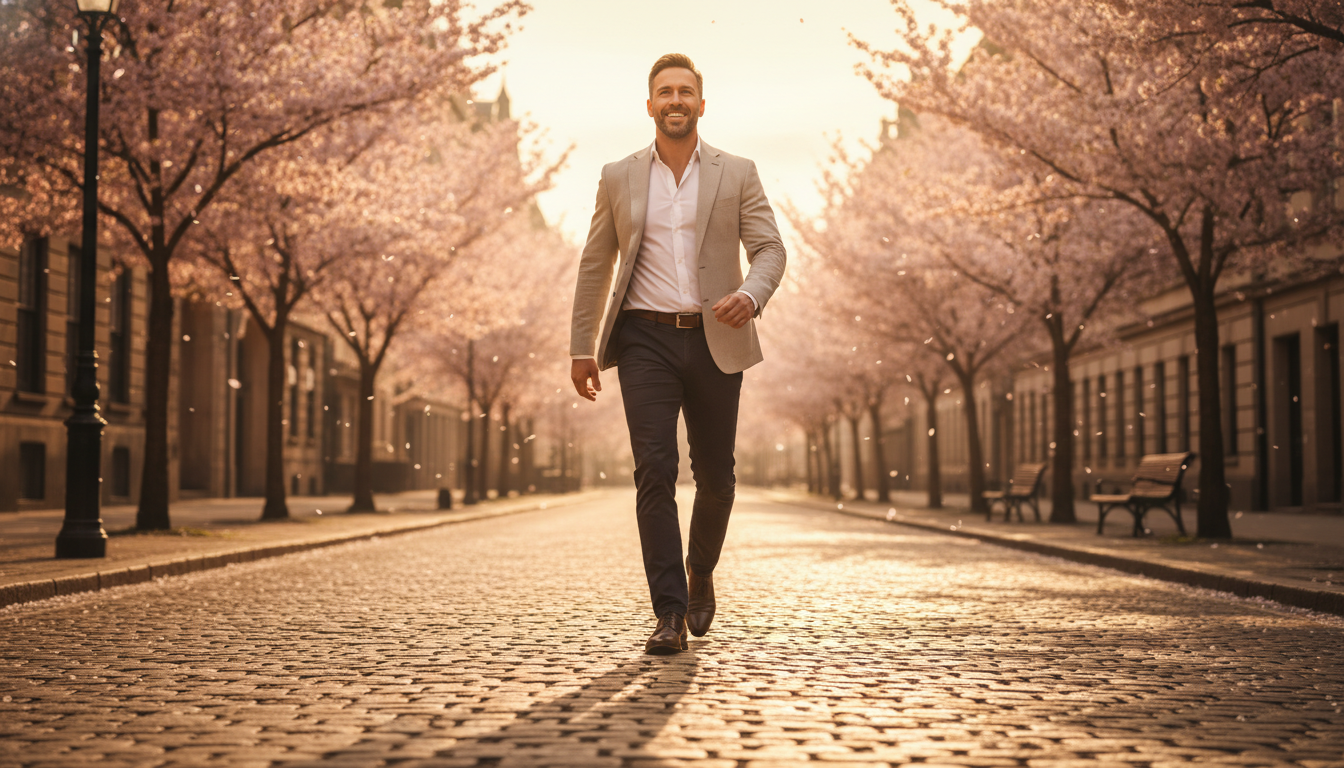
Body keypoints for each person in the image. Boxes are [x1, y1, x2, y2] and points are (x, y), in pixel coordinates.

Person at [569, 53, 787, 654]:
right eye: (664, 91)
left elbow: (770, 249)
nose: (675, 100)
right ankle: (667, 611)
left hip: (717, 336)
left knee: (716, 477)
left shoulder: (737, 171)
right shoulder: (618, 176)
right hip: (644, 339)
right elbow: (595, 263)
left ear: (701, 103)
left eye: (685, 91)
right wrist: (580, 347)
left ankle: (700, 572)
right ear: (649, 105)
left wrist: (750, 294)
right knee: (655, 469)